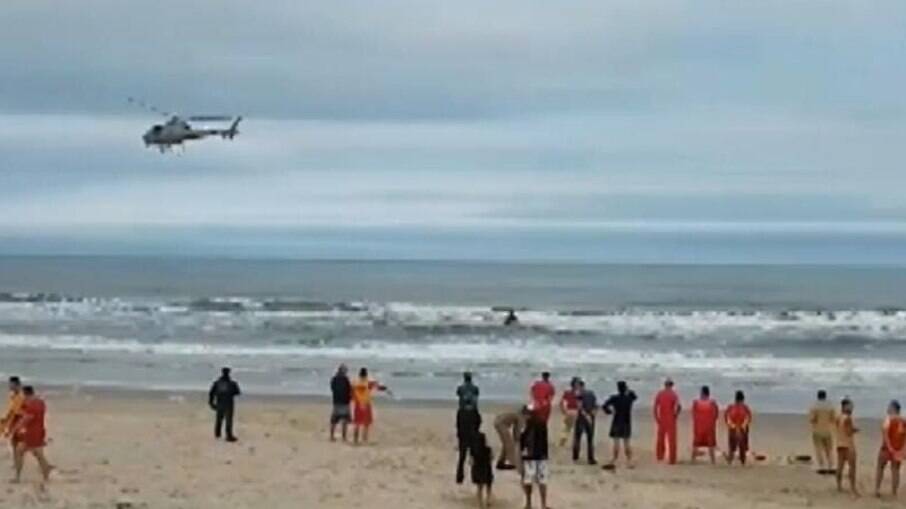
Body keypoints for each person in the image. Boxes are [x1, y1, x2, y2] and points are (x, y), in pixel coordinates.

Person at [10, 386, 52, 483]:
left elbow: (27, 418)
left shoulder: (32, 405)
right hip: (40, 431)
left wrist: (16, 428)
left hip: (31, 433)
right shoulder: (40, 403)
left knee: (19, 452)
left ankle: (17, 477)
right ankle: (46, 470)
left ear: (26, 394)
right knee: (38, 453)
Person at [874, 400, 906, 498]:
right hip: (898, 449)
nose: (887, 408)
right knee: (896, 470)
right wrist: (903, 449)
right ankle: (894, 492)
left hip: (886, 448)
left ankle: (877, 489)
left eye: (889, 407)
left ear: (893, 408)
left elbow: (885, 434)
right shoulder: (903, 420)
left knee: (880, 467)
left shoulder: (888, 419)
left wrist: (889, 447)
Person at [602, 380, 637, 468]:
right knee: (627, 443)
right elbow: (635, 396)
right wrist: (628, 390)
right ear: (625, 388)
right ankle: (629, 461)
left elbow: (604, 406)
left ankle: (614, 459)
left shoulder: (615, 398)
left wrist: (609, 412)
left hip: (617, 421)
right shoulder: (629, 398)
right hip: (626, 421)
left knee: (616, 442)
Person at [351, 367, 389, 445]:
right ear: (366, 374)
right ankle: (364, 439)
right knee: (366, 424)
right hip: (366, 404)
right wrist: (385, 388)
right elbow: (379, 387)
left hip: (358, 404)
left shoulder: (355, 382)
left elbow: (351, 392)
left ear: (359, 374)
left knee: (357, 423)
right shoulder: (368, 382)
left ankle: (355, 440)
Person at [520, 410, 550, 509]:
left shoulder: (527, 426)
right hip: (541, 456)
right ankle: (543, 504)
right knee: (542, 481)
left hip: (531, 457)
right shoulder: (542, 423)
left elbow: (523, 441)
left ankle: (529, 503)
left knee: (528, 481)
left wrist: (522, 453)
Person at [456, 372, 482, 484]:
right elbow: (478, 421)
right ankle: (475, 476)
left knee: (462, 454)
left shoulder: (460, 389)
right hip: (472, 420)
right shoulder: (475, 389)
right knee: (473, 453)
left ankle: (460, 476)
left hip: (463, 420)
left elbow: (459, 396)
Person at [208, 367, 241, 442]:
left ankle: (217, 433)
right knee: (228, 420)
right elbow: (237, 392)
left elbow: (211, 393)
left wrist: (211, 402)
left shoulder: (217, 383)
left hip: (220, 402)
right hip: (228, 403)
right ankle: (228, 435)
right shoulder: (232, 383)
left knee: (219, 419)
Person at [653, 378, 681, 464]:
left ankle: (660, 456)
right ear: (672, 385)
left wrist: (656, 417)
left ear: (665, 385)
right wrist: (676, 415)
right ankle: (672, 459)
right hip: (671, 418)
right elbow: (679, 406)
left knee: (660, 438)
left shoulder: (660, 394)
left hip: (662, 418)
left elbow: (655, 407)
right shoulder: (674, 394)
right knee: (672, 439)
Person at [835, 397, 860, 496]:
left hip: (839, 443)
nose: (852, 408)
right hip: (848, 445)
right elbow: (848, 432)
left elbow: (841, 428)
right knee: (852, 467)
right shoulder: (848, 418)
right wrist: (855, 430)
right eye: (850, 405)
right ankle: (853, 488)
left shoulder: (838, 417)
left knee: (840, 466)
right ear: (845, 406)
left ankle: (839, 486)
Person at [808, 390, 836, 474]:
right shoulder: (830, 405)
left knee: (819, 449)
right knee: (829, 449)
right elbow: (833, 418)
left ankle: (822, 466)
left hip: (817, 430)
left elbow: (812, 419)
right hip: (828, 430)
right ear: (825, 396)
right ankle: (831, 465)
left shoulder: (814, 406)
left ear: (818, 396)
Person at [494, 406, 529, 471]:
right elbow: (517, 431)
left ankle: (501, 463)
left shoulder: (517, 414)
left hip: (498, 421)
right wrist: (518, 440)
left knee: (506, 444)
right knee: (509, 445)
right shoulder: (520, 417)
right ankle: (514, 463)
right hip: (501, 424)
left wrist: (516, 438)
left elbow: (515, 430)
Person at [691, 385, 719, 464]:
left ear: (702, 393)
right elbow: (715, 415)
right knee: (710, 445)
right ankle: (713, 461)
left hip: (699, 426)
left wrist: (696, 423)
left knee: (696, 444)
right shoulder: (712, 402)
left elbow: (694, 415)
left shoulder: (696, 402)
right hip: (709, 427)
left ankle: (693, 460)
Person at [573, 380, 597, 465]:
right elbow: (595, 406)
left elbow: (580, 407)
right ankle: (591, 458)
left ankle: (575, 456)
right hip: (591, 417)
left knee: (577, 437)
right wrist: (591, 416)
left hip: (582, 418)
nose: (576, 387)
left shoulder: (579, 394)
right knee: (590, 439)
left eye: (577, 386)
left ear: (580, 386)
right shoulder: (592, 393)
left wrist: (586, 415)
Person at [724, 390, 752, 465]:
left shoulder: (730, 407)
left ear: (735, 398)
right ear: (743, 399)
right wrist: (742, 426)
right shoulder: (745, 408)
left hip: (733, 429)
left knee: (732, 448)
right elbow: (748, 418)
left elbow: (727, 418)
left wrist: (732, 426)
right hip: (742, 430)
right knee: (742, 448)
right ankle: (743, 462)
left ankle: (730, 461)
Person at [2, 376, 24, 462]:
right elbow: (12, 410)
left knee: (17, 443)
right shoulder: (14, 395)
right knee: (14, 443)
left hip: (18, 421)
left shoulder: (20, 396)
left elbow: (16, 412)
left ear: (17, 385)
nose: (10, 386)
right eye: (10, 384)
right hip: (14, 420)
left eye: (11, 385)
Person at [470, 431, 494, 509]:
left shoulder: (473, 450)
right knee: (488, 486)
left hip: (478, 469)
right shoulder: (488, 449)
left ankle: (480, 504)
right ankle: (488, 500)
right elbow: (492, 458)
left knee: (479, 487)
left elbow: (471, 461)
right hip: (487, 469)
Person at [329, 364, 352, 442]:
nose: (346, 372)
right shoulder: (346, 379)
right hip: (345, 402)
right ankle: (344, 437)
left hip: (336, 402)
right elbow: (349, 390)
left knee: (334, 421)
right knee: (345, 421)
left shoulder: (334, 379)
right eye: (345, 370)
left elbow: (332, 388)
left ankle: (332, 436)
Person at [557, 377, 580, 447]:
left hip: (569, 411)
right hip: (576, 411)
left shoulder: (567, 392)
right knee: (577, 429)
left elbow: (561, 402)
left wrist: (563, 411)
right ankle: (575, 444)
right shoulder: (579, 393)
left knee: (566, 429)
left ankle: (562, 443)